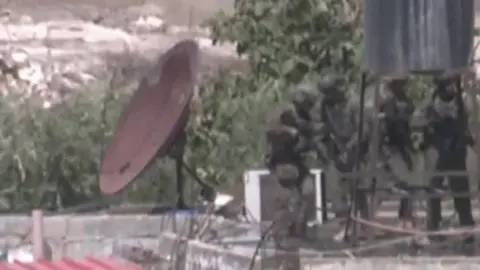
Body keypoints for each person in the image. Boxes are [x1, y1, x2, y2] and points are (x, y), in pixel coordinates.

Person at [311, 73, 373, 241]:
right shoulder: (324, 105)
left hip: (357, 149)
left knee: (360, 189)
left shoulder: (353, 104)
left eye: (330, 91)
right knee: (335, 189)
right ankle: (343, 224)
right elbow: (319, 126)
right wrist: (326, 148)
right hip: (336, 151)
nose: (328, 95)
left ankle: (366, 226)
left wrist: (351, 149)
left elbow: (364, 131)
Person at [422, 75, 475, 250]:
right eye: (448, 85)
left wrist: (463, 138)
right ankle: (434, 228)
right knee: (434, 190)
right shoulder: (432, 106)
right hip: (440, 153)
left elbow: (465, 127)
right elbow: (428, 130)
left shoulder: (460, 104)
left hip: (457, 153)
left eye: (453, 84)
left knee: (461, 192)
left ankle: (467, 229)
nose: (452, 88)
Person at [265, 84, 319, 238]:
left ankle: (299, 228)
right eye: (308, 103)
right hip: (282, 161)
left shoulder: (303, 116)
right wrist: (290, 132)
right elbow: (271, 129)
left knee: (309, 191)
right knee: (284, 199)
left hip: (297, 161)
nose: (310, 107)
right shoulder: (284, 112)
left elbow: (310, 131)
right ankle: (280, 233)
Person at [377, 77, 417, 229]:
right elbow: (386, 125)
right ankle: (404, 217)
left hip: (402, 146)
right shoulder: (386, 101)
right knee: (398, 183)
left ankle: (405, 216)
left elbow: (407, 118)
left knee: (407, 183)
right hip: (389, 147)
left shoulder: (403, 100)